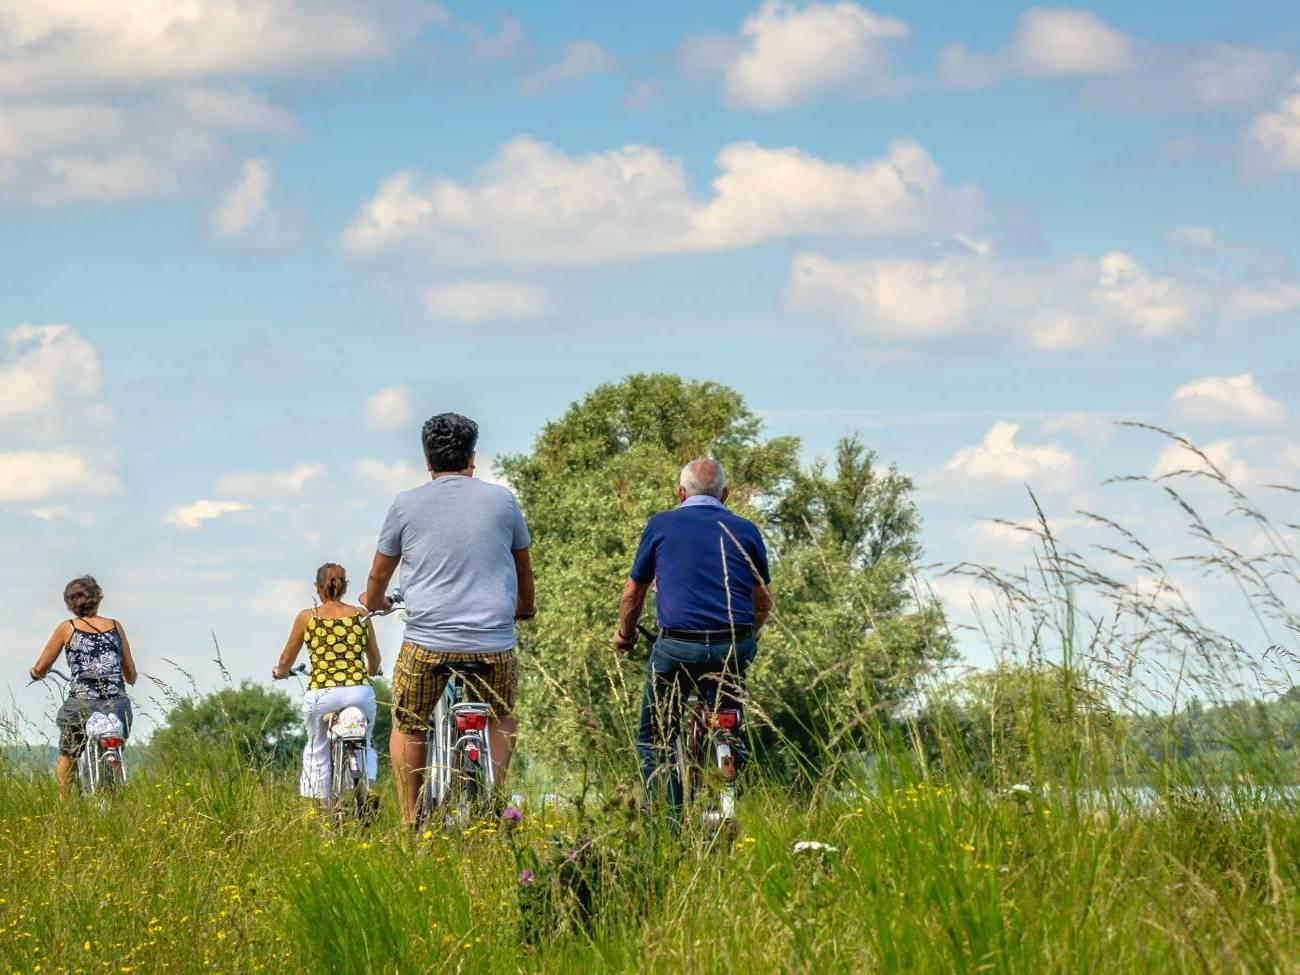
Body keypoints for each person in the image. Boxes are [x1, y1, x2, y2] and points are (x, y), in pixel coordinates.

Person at [362, 411, 535, 827]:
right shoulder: (503, 501)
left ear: (427, 460)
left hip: (428, 644)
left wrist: (376, 601)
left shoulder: (405, 504)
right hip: (493, 642)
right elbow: (523, 569)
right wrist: (524, 608)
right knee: (501, 715)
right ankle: (494, 801)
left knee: (409, 723)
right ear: (472, 457)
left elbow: (378, 575)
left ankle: (411, 821)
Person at [612, 459, 773, 809]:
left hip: (677, 647)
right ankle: (731, 769)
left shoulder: (661, 525)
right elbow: (763, 601)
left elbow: (633, 593)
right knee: (729, 715)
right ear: (725, 495)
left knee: (657, 736)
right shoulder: (746, 530)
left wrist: (625, 634)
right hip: (733, 645)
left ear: (681, 493)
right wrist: (751, 636)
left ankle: (668, 824)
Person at [273, 563, 382, 806]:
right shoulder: (360, 615)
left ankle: (321, 808)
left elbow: (286, 659)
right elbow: (374, 660)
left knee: (317, 747)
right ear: (345, 587)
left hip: (322, 695)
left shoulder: (307, 617)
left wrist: (280, 672)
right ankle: (370, 788)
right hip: (359, 692)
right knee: (366, 742)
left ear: (317, 587)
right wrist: (372, 671)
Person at [28, 576, 138, 798]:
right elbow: (131, 674)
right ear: (98, 599)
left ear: (70, 603)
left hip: (81, 705)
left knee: (67, 753)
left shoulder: (67, 628)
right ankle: (113, 774)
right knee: (114, 742)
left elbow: (41, 666)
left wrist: (36, 673)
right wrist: (128, 677)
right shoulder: (115, 626)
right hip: (117, 706)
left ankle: (64, 804)